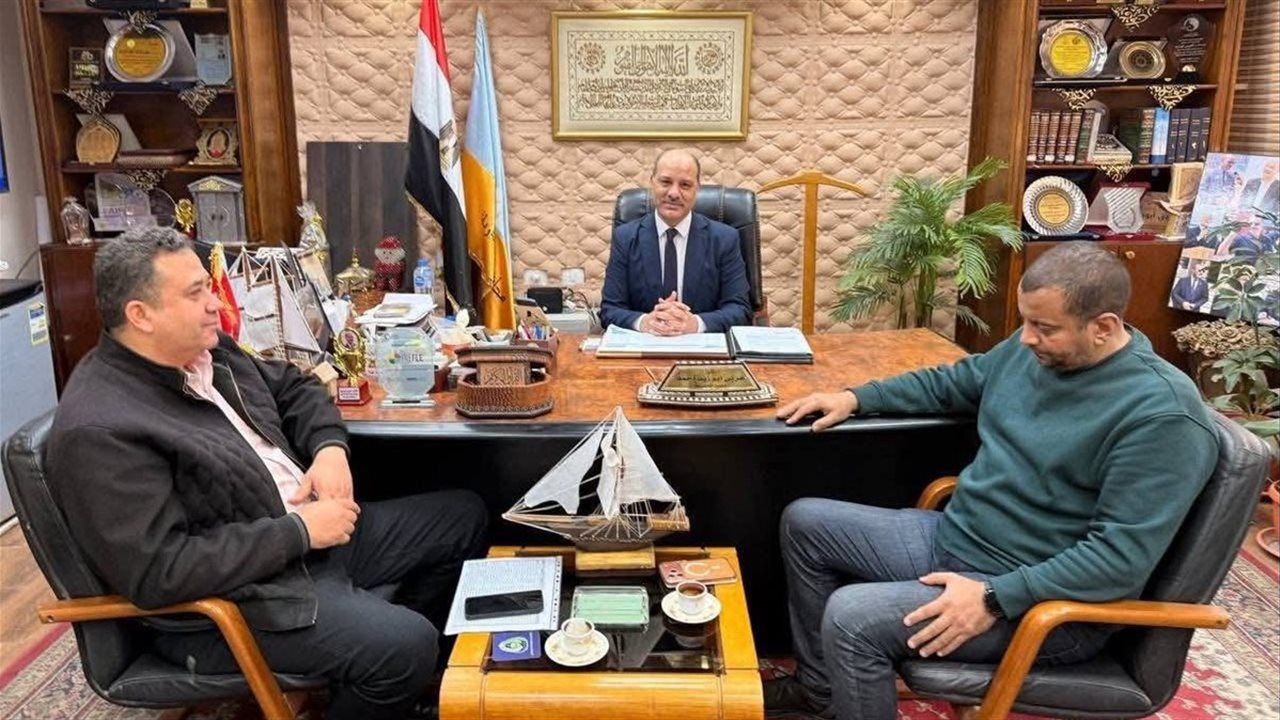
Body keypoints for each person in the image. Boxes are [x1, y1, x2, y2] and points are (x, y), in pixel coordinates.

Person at [46, 228, 488, 720]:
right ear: (140, 315)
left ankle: (394, 686)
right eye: (195, 293)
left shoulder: (206, 351)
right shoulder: (101, 428)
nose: (215, 304)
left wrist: (328, 449)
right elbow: (159, 572)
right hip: (236, 602)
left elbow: (295, 386)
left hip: (303, 544)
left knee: (462, 518)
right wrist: (298, 532)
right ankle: (389, 669)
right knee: (404, 645)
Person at [767, 241, 1218, 720]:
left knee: (852, 617)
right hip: (958, 540)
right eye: (1026, 321)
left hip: (1042, 601)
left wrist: (995, 598)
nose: (1026, 339)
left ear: (1104, 327)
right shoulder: (1037, 352)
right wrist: (855, 398)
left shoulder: (1162, 417)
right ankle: (822, 695)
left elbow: (1117, 562)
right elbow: (952, 383)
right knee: (806, 523)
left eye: (1044, 328)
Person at [599, 149, 753, 334]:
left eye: (685, 185)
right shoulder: (625, 237)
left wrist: (694, 324)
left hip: (701, 346)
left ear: (697, 189)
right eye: (665, 182)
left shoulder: (724, 239)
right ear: (652, 183)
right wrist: (645, 322)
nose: (673, 193)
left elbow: (739, 310)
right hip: (645, 344)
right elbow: (610, 310)